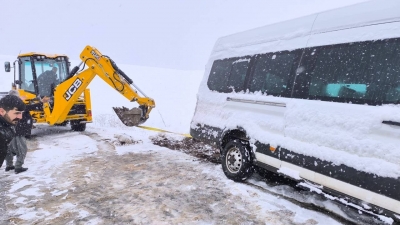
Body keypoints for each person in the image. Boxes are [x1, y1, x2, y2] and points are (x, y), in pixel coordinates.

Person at [5, 90, 50, 174]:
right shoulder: (16, 104)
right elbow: (29, 108)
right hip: (18, 131)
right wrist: (41, 102)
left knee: (9, 149)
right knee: (22, 149)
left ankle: (9, 165)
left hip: (9, 131)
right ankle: (18, 167)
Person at [0, 95, 25, 170]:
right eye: (16, 113)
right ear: (2, 111)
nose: (20, 117)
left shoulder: (7, 124)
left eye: (21, 113)